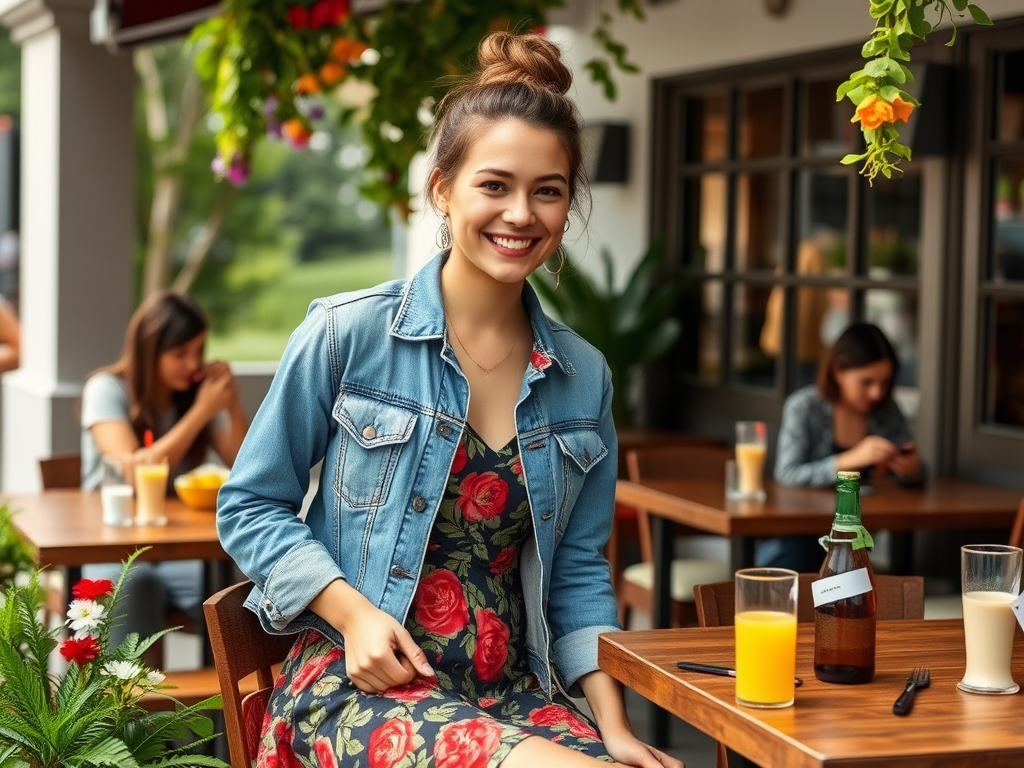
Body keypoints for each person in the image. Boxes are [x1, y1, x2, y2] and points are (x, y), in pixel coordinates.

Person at [218, 31, 682, 768]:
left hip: (513, 690)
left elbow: (579, 573)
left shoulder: (583, 375)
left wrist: (614, 730)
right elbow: (249, 506)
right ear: (443, 188)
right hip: (360, 683)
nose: (521, 214)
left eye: (548, 191)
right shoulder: (346, 334)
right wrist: (355, 615)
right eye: (494, 185)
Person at [81, 290, 247, 645]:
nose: (193, 363)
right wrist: (201, 412)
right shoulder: (106, 389)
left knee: (234, 587)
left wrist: (230, 403)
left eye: (199, 351)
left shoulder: (192, 393)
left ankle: (225, 696)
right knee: (137, 584)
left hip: (177, 548)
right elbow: (134, 475)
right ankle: (127, 700)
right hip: (111, 544)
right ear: (149, 350)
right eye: (180, 353)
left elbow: (244, 461)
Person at [758, 322, 923, 572]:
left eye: (884, 382)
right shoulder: (804, 407)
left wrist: (911, 470)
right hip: (798, 540)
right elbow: (787, 472)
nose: (877, 393)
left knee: (888, 580)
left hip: (857, 545)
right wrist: (849, 459)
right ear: (838, 371)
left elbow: (917, 468)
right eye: (866, 382)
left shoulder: (886, 413)